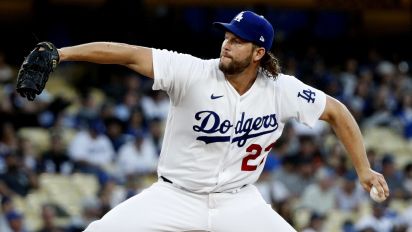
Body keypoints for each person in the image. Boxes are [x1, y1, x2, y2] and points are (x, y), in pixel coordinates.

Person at [42, 10, 389, 231]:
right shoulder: (192, 71)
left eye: (238, 41)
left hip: (238, 201)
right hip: (175, 197)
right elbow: (127, 54)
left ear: (258, 53)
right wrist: (62, 53)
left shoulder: (281, 90)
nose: (226, 44)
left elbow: (337, 112)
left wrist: (363, 168)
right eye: (226, 36)